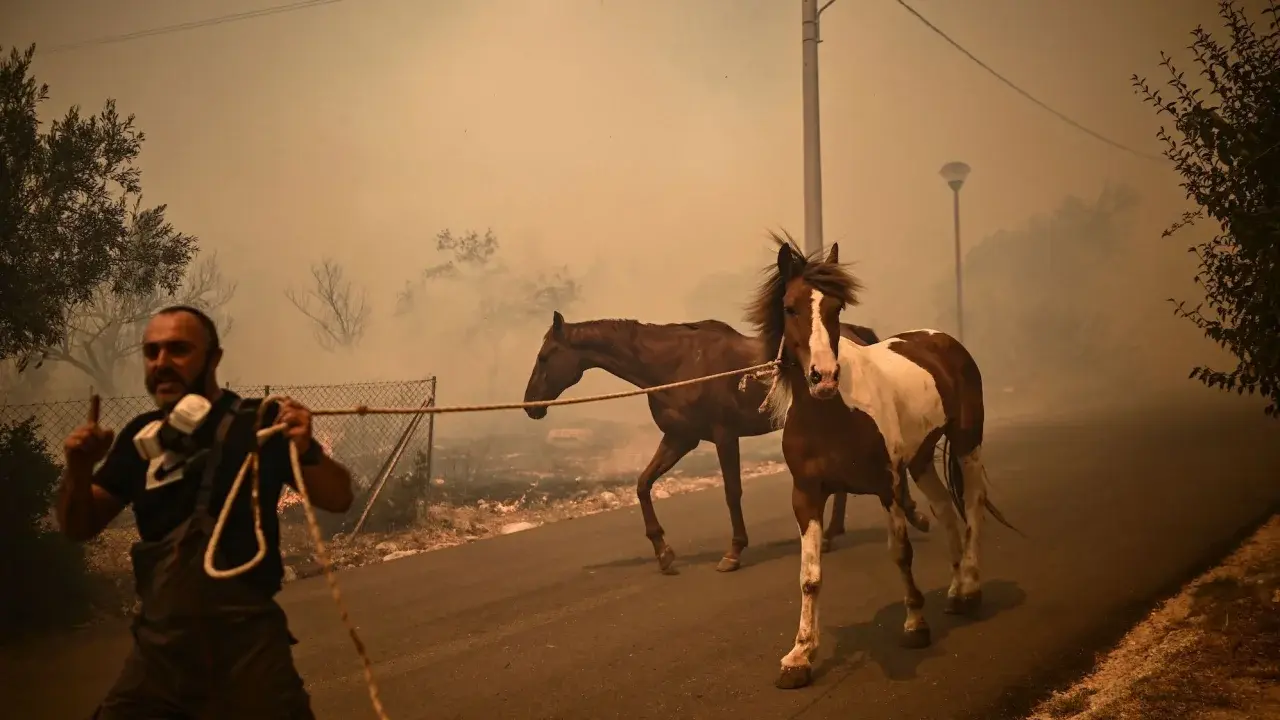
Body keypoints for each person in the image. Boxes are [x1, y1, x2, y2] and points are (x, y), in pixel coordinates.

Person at [57, 305, 356, 719]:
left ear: (214, 359)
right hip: (159, 655)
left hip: (247, 652)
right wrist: (78, 468)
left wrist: (306, 449)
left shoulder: (259, 423)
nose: (161, 363)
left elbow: (338, 497)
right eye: (151, 352)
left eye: (178, 349)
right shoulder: (138, 438)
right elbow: (79, 526)